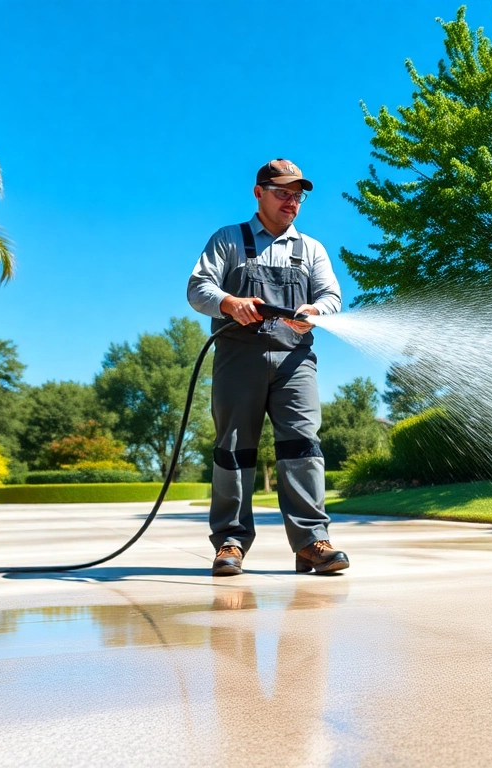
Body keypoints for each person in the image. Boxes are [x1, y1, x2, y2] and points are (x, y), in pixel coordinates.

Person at [187, 159, 347, 576]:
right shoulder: (228, 240)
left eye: (298, 196)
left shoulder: (311, 250)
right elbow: (198, 287)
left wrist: (314, 310)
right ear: (259, 193)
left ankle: (312, 541)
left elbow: (331, 297)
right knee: (234, 448)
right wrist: (229, 303)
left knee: (303, 445)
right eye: (283, 193)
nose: (292, 202)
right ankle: (230, 543)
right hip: (238, 357)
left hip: (295, 361)